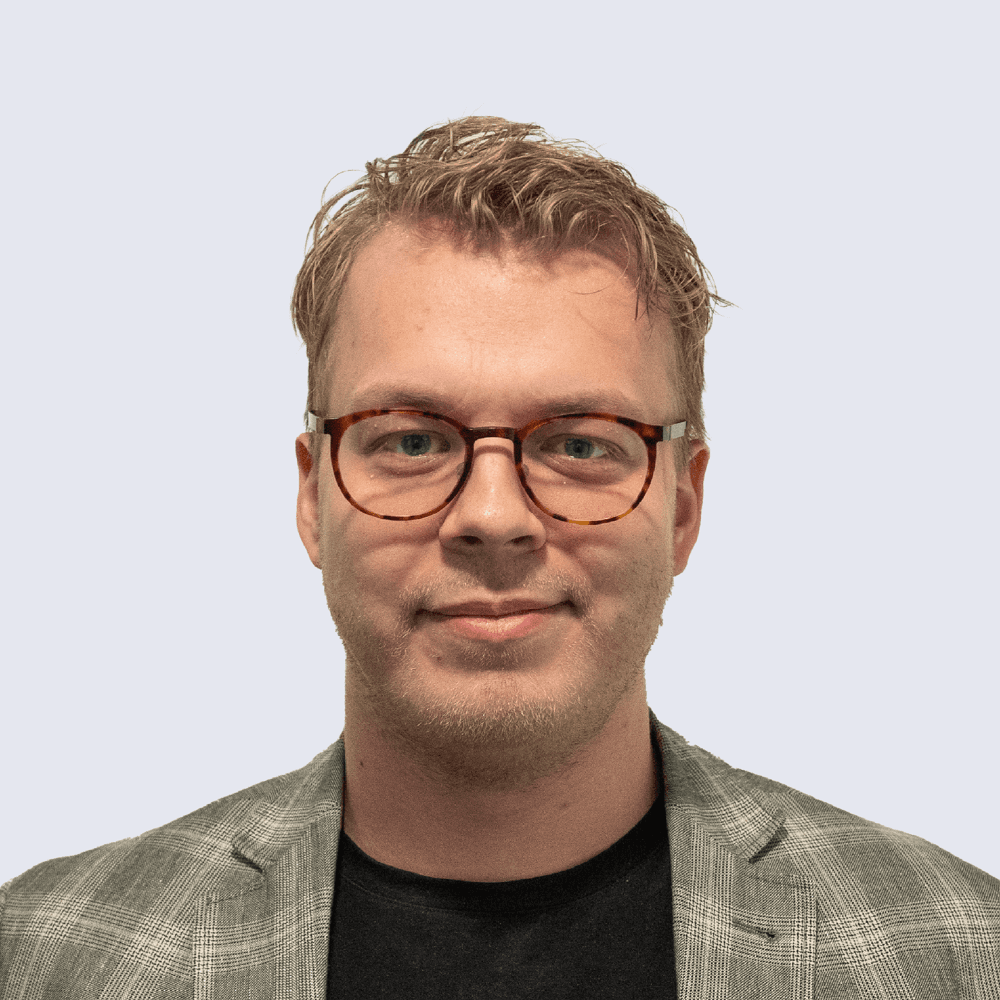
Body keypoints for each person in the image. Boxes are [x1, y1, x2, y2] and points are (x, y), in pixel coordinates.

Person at [2, 116, 997, 999]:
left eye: (577, 443)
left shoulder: (959, 956)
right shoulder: (41, 957)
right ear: (312, 496)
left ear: (682, 506)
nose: (491, 515)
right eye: (411, 438)